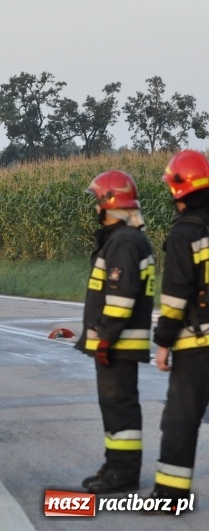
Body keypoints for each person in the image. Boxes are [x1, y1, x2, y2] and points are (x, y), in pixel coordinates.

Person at [75, 170, 155, 494]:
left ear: (110, 202)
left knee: (119, 407)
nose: (95, 208)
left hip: (118, 344)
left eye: (98, 200)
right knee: (115, 407)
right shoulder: (125, 238)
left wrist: (105, 338)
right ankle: (114, 466)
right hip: (116, 343)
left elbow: (121, 299)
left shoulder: (123, 241)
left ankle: (123, 474)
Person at [149, 149, 209, 504]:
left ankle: (169, 494)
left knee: (180, 420)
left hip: (197, 342)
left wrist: (163, 342)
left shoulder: (186, 232)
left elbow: (176, 295)